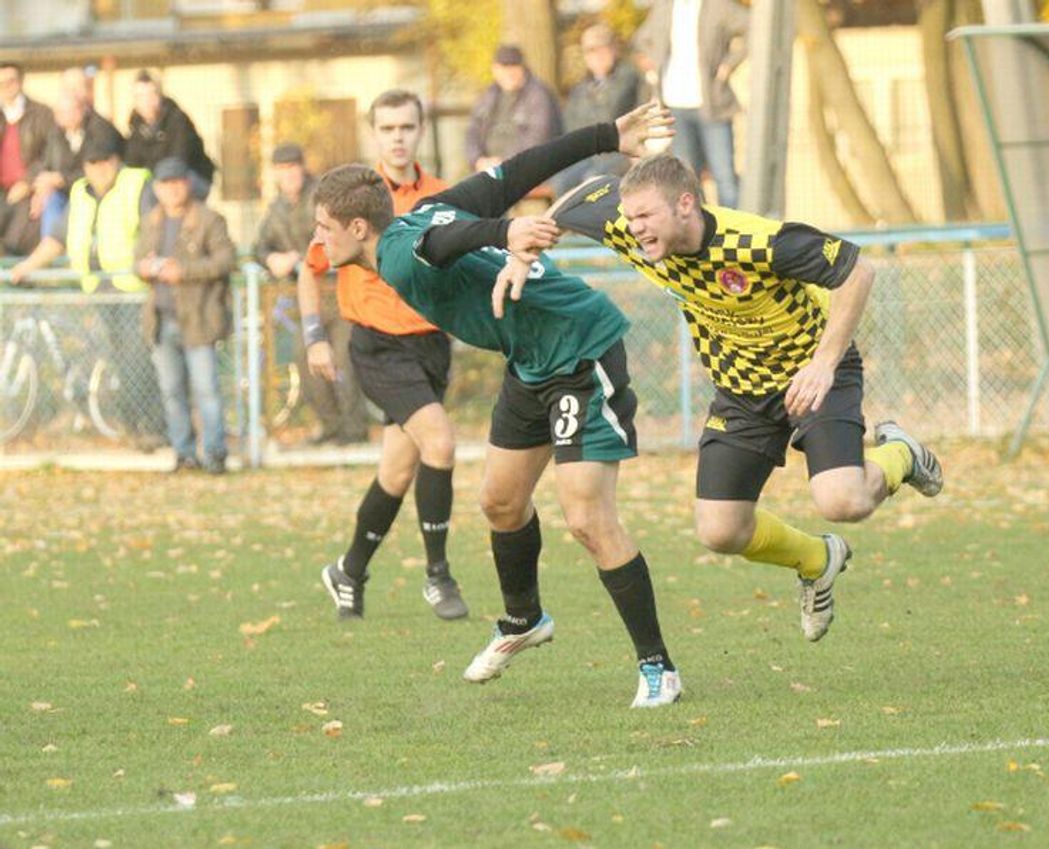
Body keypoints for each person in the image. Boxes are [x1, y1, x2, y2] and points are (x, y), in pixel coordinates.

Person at [313, 103, 683, 708]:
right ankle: (523, 620)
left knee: (588, 519)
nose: (316, 239)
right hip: (531, 360)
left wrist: (504, 233)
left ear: (358, 229)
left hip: (579, 349)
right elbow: (516, 173)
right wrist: (607, 135)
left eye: (323, 226)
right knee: (500, 502)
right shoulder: (423, 213)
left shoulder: (405, 248)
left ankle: (658, 666)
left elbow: (446, 241)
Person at [514, 155, 944, 643]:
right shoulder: (629, 227)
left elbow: (857, 271)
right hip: (740, 390)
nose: (635, 230)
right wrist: (528, 247)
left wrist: (824, 363)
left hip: (811, 372)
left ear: (685, 204)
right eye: (630, 218)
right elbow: (580, 196)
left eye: (646, 217)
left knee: (843, 500)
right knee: (720, 530)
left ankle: (902, 454)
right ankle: (819, 560)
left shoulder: (755, 241)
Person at [303, 90, 466, 621]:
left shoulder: (443, 194)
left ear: (421, 131)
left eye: (407, 127)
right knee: (439, 442)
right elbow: (311, 270)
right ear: (373, 133)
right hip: (376, 344)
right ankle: (438, 575)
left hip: (431, 345)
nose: (398, 137)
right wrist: (314, 336)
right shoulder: (350, 196)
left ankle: (348, 571)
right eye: (388, 128)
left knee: (397, 473)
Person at [9, 131, 166, 446]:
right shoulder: (80, 194)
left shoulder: (136, 186)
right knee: (117, 359)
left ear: (116, 160)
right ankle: (131, 426)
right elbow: (56, 240)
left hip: (133, 291)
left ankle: (153, 427)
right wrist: (25, 268)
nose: (99, 169)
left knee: (138, 359)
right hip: (99, 291)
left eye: (104, 161)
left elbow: (156, 227)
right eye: (92, 164)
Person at [255, 142, 369, 446]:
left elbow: (342, 233)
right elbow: (259, 247)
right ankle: (329, 425)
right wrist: (272, 259)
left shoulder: (324, 196)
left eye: (293, 167)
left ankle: (354, 429)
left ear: (302, 167)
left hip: (338, 287)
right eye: (282, 169)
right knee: (306, 359)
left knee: (345, 359)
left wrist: (305, 256)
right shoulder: (276, 208)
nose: (289, 174)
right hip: (304, 297)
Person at [135, 157, 235, 473]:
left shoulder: (209, 220)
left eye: (177, 182)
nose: (172, 189)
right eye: (165, 184)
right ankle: (184, 453)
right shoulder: (151, 221)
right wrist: (144, 268)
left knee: (207, 390)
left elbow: (224, 261)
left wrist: (185, 272)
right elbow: (137, 258)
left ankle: (216, 453)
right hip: (162, 320)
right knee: (172, 391)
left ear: (188, 184)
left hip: (199, 319)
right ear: (157, 189)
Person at [632, 0, 749, 208]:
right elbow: (641, 39)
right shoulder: (664, 7)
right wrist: (651, 62)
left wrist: (730, 63)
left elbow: (753, 27)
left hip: (712, 104)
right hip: (674, 104)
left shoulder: (719, 6)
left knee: (724, 176)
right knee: (687, 179)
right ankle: (699, 234)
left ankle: (731, 235)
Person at [552, 24, 641, 195]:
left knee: (592, 180)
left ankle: (597, 222)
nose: (597, 56)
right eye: (591, 51)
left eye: (603, 49)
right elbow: (570, 124)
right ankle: (568, 222)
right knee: (561, 181)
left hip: (620, 151)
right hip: (588, 153)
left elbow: (609, 115)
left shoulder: (628, 77)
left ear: (614, 50)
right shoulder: (581, 87)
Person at [32, 89, 123, 241]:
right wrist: (41, 188)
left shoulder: (101, 130)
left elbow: (100, 171)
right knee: (49, 200)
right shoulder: (57, 133)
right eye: (60, 112)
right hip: (67, 190)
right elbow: (47, 164)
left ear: (83, 109)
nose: (63, 116)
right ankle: (51, 248)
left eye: (70, 111)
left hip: (97, 190)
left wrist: (61, 179)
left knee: (77, 205)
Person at [464, 45, 562, 174]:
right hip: (489, 168)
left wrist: (504, 162)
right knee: (460, 189)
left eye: (514, 66)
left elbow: (538, 138)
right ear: (495, 69)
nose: (509, 72)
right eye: (504, 67)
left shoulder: (538, 95)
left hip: (526, 168)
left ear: (523, 68)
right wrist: (477, 160)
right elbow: (472, 133)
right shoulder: (488, 96)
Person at [124, 71, 216, 200]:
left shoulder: (177, 120)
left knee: (151, 193)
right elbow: (132, 164)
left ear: (160, 95)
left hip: (192, 178)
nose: (147, 102)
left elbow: (177, 161)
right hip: (158, 181)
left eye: (152, 94)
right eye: (140, 96)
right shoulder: (135, 128)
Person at [0, 62, 55, 256]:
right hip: (2, 191)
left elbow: (50, 153)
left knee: (17, 242)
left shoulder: (42, 114)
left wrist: (28, 181)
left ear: (21, 82)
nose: (6, 86)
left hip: (30, 191)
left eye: (11, 81)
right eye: (1, 82)